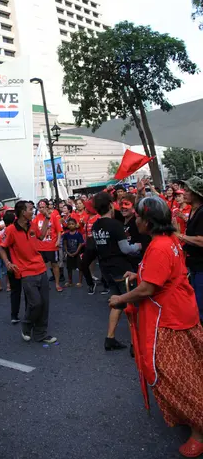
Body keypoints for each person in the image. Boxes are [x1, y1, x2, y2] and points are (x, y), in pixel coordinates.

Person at [109, 197, 203, 458]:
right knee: (192, 370)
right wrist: (138, 274)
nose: (134, 220)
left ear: (147, 222)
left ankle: (200, 430)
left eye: (138, 216)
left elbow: (150, 288)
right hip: (180, 312)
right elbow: (160, 275)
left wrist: (120, 299)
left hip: (170, 319)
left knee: (175, 377)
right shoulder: (167, 240)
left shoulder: (160, 246)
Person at [0, 201, 57, 344]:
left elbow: (42, 236)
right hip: (25, 271)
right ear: (23, 212)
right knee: (36, 303)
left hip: (41, 268)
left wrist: (48, 219)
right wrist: (8, 263)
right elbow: (1, 247)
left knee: (44, 303)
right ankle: (27, 324)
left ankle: (40, 334)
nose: (33, 211)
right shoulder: (11, 230)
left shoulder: (32, 225)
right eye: (31, 209)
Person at [92, 192, 142, 350]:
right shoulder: (114, 225)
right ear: (110, 205)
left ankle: (110, 338)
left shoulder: (95, 225)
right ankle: (136, 341)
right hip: (121, 268)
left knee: (117, 302)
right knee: (133, 304)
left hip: (106, 269)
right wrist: (139, 246)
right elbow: (126, 249)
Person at [177, 176, 203, 322]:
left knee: (201, 306)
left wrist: (179, 235)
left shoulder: (202, 212)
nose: (183, 193)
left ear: (195, 193)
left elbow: (201, 241)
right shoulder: (194, 211)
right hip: (194, 266)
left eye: (187, 190)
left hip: (201, 267)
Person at [0, 211, 23, 324]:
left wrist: (6, 262)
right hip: (19, 264)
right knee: (25, 290)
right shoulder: (13, 230)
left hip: (10, 264)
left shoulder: (1, 232)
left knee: (15, 291)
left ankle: (14, 315)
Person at [32, 199, 63, 292]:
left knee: (54, 264)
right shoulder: (37, 218)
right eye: (40, 207)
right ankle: (45, 284)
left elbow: (59, 230)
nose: (41, 209)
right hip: (40, 246)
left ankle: (57, 284)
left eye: (43, 207)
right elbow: (33, 230)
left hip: (52, 245)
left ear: (47, 207)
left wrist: (58, 240)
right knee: (43, 266)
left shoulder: (53, 216)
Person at [120, 193, 151, 269]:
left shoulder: (137, 222)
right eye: (121, 204)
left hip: (139, 262)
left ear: (133, 208)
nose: (123, 207)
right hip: (127, 263)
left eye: (126, 204)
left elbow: (145, 242)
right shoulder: (120, 222)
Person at [62, 217, 84, 287]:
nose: (71, 225)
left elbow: (80, 244)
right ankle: (70, 281)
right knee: (69, 268)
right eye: (69, 224)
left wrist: (77, 252)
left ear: (75, 225)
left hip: (77, 253)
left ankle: (80, 282)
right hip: (69, 253)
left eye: (72, 224)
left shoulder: (78, 234)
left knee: (80, 267)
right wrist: (67, 252)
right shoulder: (66, 235)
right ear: (67, 225)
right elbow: (65, 243)